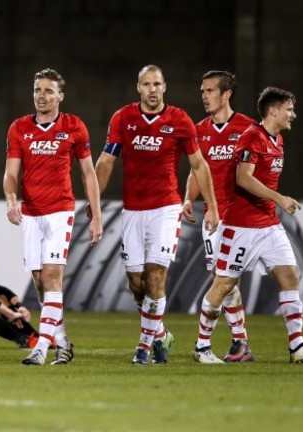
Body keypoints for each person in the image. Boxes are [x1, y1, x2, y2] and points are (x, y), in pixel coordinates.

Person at [192, 86, 303, 364]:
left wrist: (274, 204)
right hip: (241, 227)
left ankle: (297, 346)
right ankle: (202, 347)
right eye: (289, 109)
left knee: (290, 276)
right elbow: (243, 178)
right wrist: (279, 197)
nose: (293, 114)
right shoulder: (251, 137)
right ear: (273, 110)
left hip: (269, 226)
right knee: (224, 284)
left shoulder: (277, 140)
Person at [95, 64, 219, 365]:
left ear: (165, 87)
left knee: (155, 275)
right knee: (136, 284)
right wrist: (94, 200)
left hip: (165, 209)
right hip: (132, 211)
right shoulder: (123, 118)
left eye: (157, 84)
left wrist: (212, 207)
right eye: (146, 84)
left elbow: (199, 165)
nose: (152, 89)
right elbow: (107, 161)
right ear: (138, 87)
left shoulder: (179, 120)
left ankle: (143, 347)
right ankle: (160, 334)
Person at [3, 68, 103, 366]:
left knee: (51, 276)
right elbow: (10, 173)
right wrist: (11, 200)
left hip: (60, 210)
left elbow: (88, 173)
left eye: (48, 91)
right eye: (37, 90)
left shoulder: (74, 127)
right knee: (39, 281)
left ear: (61, 96)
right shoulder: (19, 128)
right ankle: (61, 341)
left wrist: (96, 215)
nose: (41, 96)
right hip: (31, 214)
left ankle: (41, 349)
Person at [183, 71, 255, 363]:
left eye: (210, 90)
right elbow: (197, 170)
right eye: (202, 90)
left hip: (239, 217)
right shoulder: (199, 130)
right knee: (221, 279)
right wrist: (189, 198)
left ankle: (235, 342)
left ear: (227, 94)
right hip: (212, 217)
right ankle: (240, 343)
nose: (204, 95)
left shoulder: (249, 128)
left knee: (225, 280)